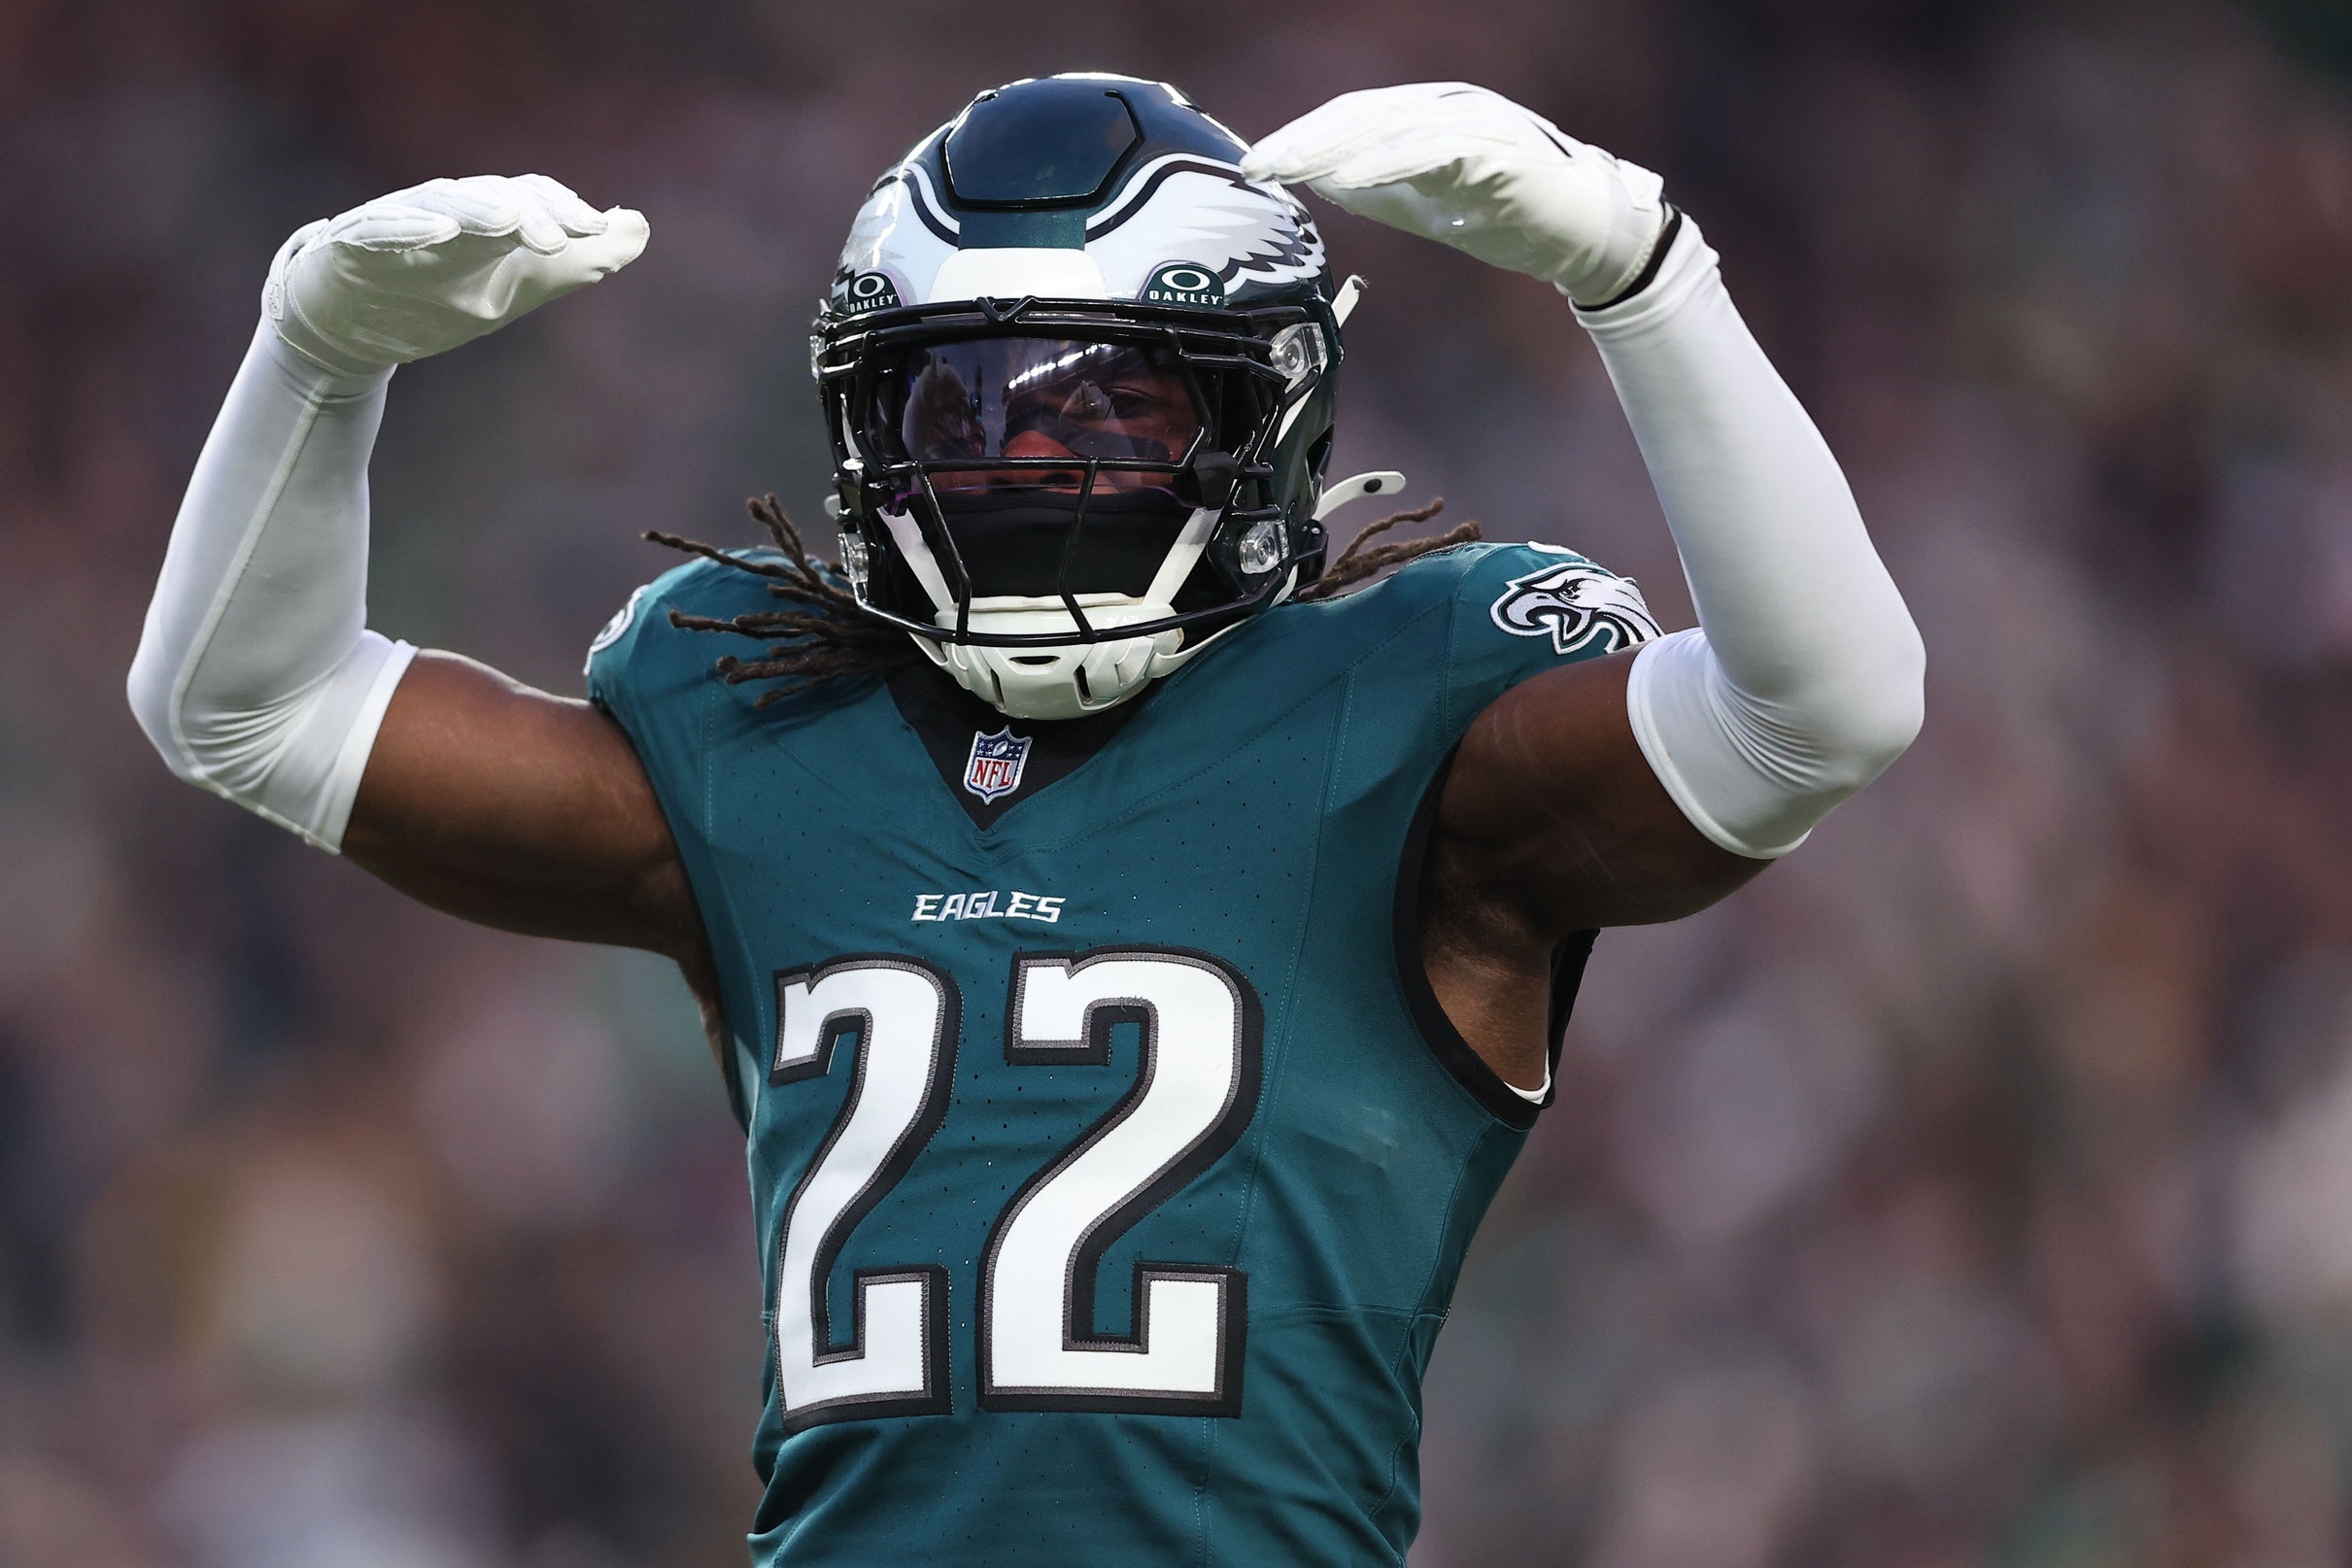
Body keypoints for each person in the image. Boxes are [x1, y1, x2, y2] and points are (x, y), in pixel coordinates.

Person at [126, 73, 1924, 1567]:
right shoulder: (764, 720)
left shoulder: (1409, 716)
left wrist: (1644, 273)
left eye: (1110, 407)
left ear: (1261, 413)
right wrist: (314, 351)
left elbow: (1819, 711)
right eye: (959, 405)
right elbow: (241, 703)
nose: (1026, 462)